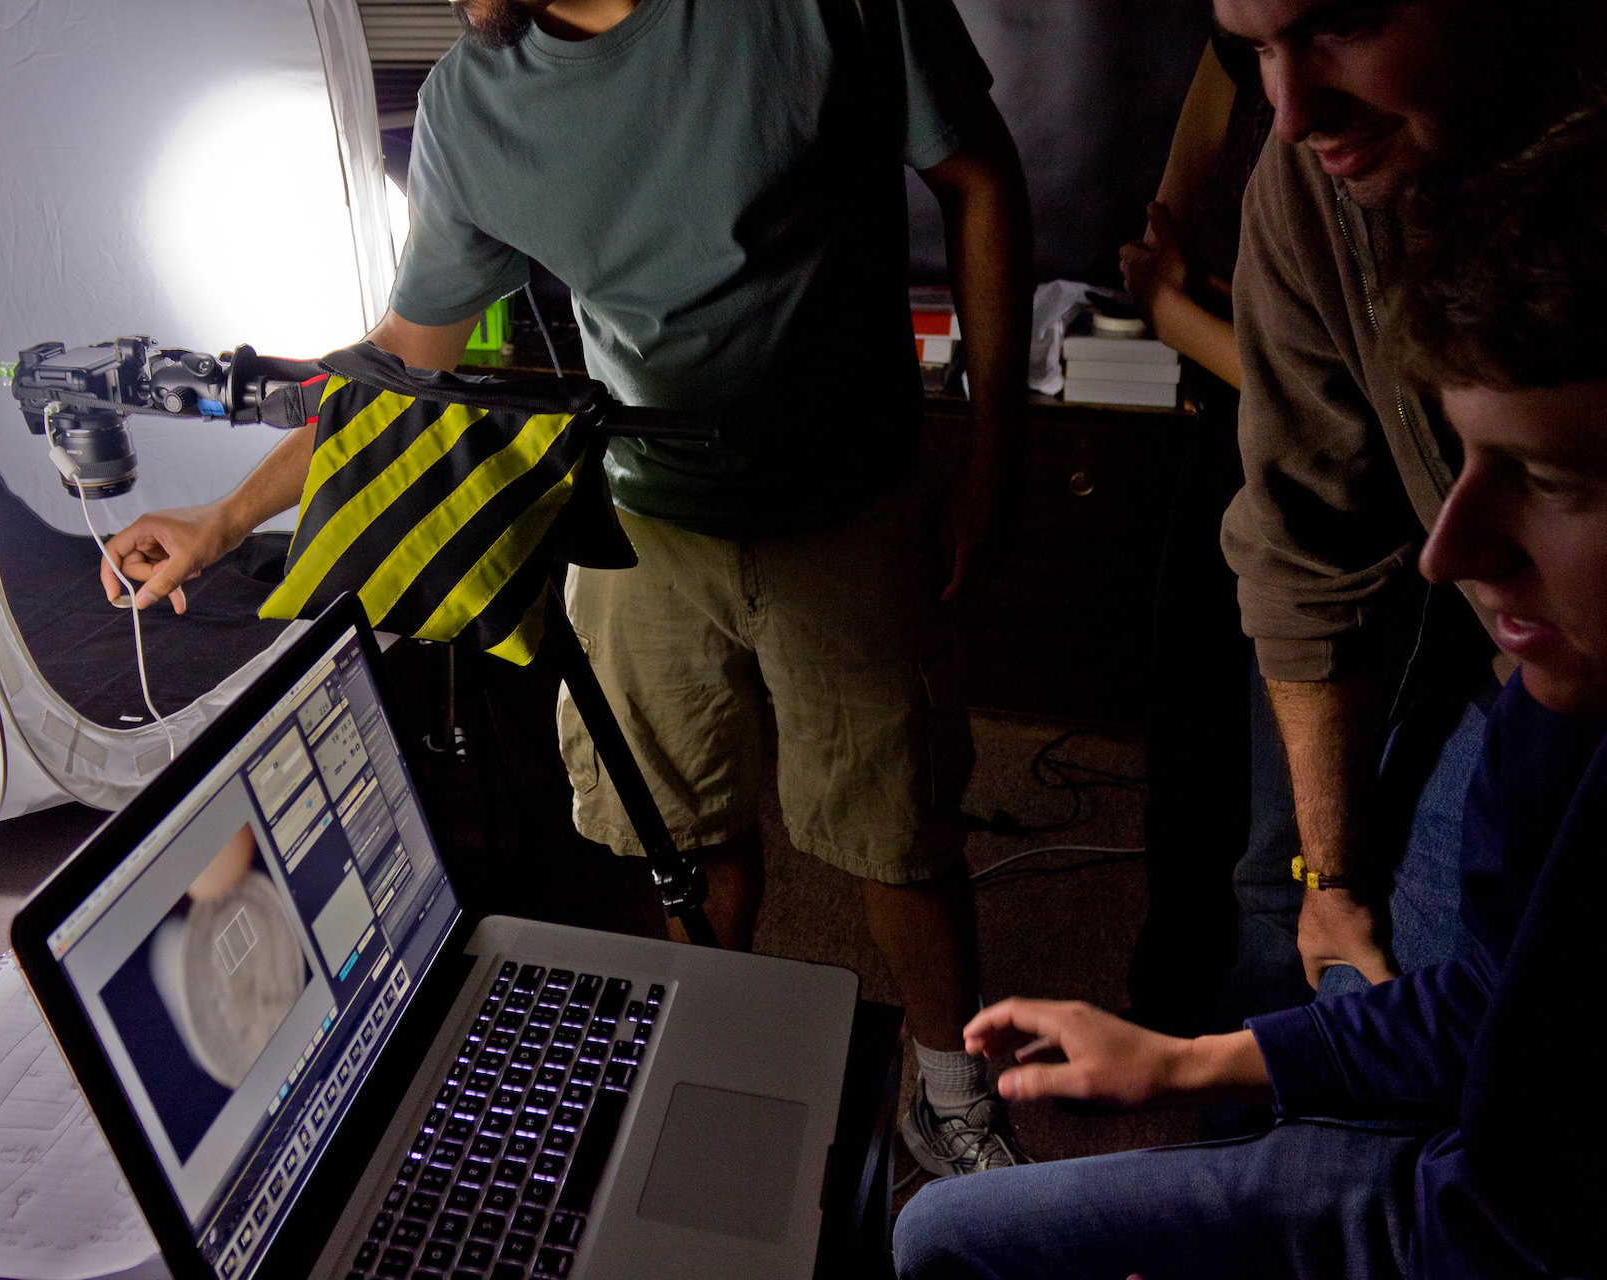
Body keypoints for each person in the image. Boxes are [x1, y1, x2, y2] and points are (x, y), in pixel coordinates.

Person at [99, 0, 1035, 1176]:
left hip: (846, 502)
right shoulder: (474, 106)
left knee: (899, 831)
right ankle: (732, 1064)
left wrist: (1000, 450)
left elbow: (980, 178)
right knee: (677, 832)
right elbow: (403, 370)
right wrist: (225, 513)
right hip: (642, 516)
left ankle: (949, 1090)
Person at [894, 103, 1607, 1280]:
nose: (1448, 551)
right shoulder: (1542, 714)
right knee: (937, 1235)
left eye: (1546, 480)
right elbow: (1489, 1004)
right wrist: (1183, 1064)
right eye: (1465, 460)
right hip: (1446, 1196)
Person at [1212, 0, 1600, 1006]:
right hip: (1526, 682)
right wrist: (1330, 882)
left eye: (1340, 23)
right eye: (1255, 49)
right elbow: (1304, 553)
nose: (1291, 112)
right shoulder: (1307, 192)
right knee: (1382, 1002)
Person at [1116, 35, 1273, 1034]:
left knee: (1283, 826)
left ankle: (1252, 1061)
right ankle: (1173, 1016)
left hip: (1322, 466)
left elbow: (1332, 399)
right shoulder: (1235, 47)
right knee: (1189, 745)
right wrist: (1179, 300)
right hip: (1231, 428)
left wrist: (1178, 314)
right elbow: (1157, 240)